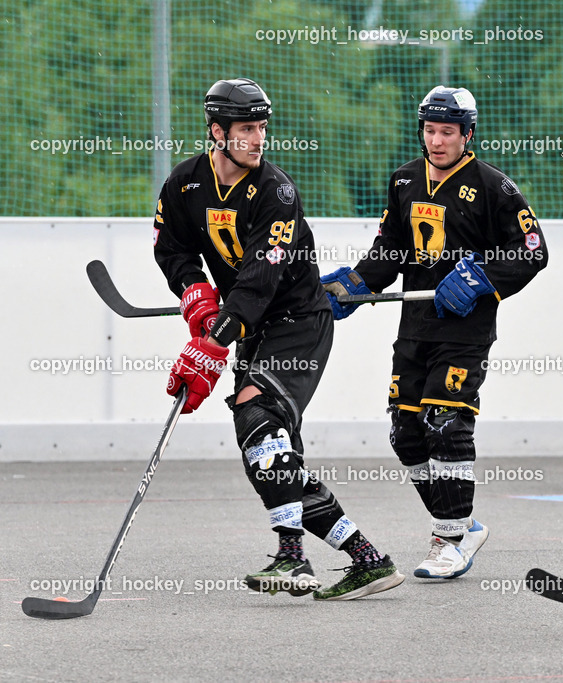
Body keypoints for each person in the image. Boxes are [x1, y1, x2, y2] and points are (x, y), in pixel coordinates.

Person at [153, 78, 403, 601]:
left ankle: (293, 558)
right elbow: (170, 248)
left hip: (297, 322)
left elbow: (258, 282)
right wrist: (194, 291)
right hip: (254, 328)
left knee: (257, 417)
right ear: (216, 131)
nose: (258, 138)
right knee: (265, 451)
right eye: (246, 128)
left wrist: (212, 341)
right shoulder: (183, 185)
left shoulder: (276, 192)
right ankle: (364, 558)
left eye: (262, 128)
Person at [321, 85, 548, 579]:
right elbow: (390, 249)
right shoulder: (403, 180)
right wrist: (356, 284)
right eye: (430, 130)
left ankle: (448, 538)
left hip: (465, 334)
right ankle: (462, 525)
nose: (438, 141)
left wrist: (480, 276)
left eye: (448, 132)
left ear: (468, 134)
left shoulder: (495, 188)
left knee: (445, 422)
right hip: (414, 331)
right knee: (407, 435)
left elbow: (532, 251)